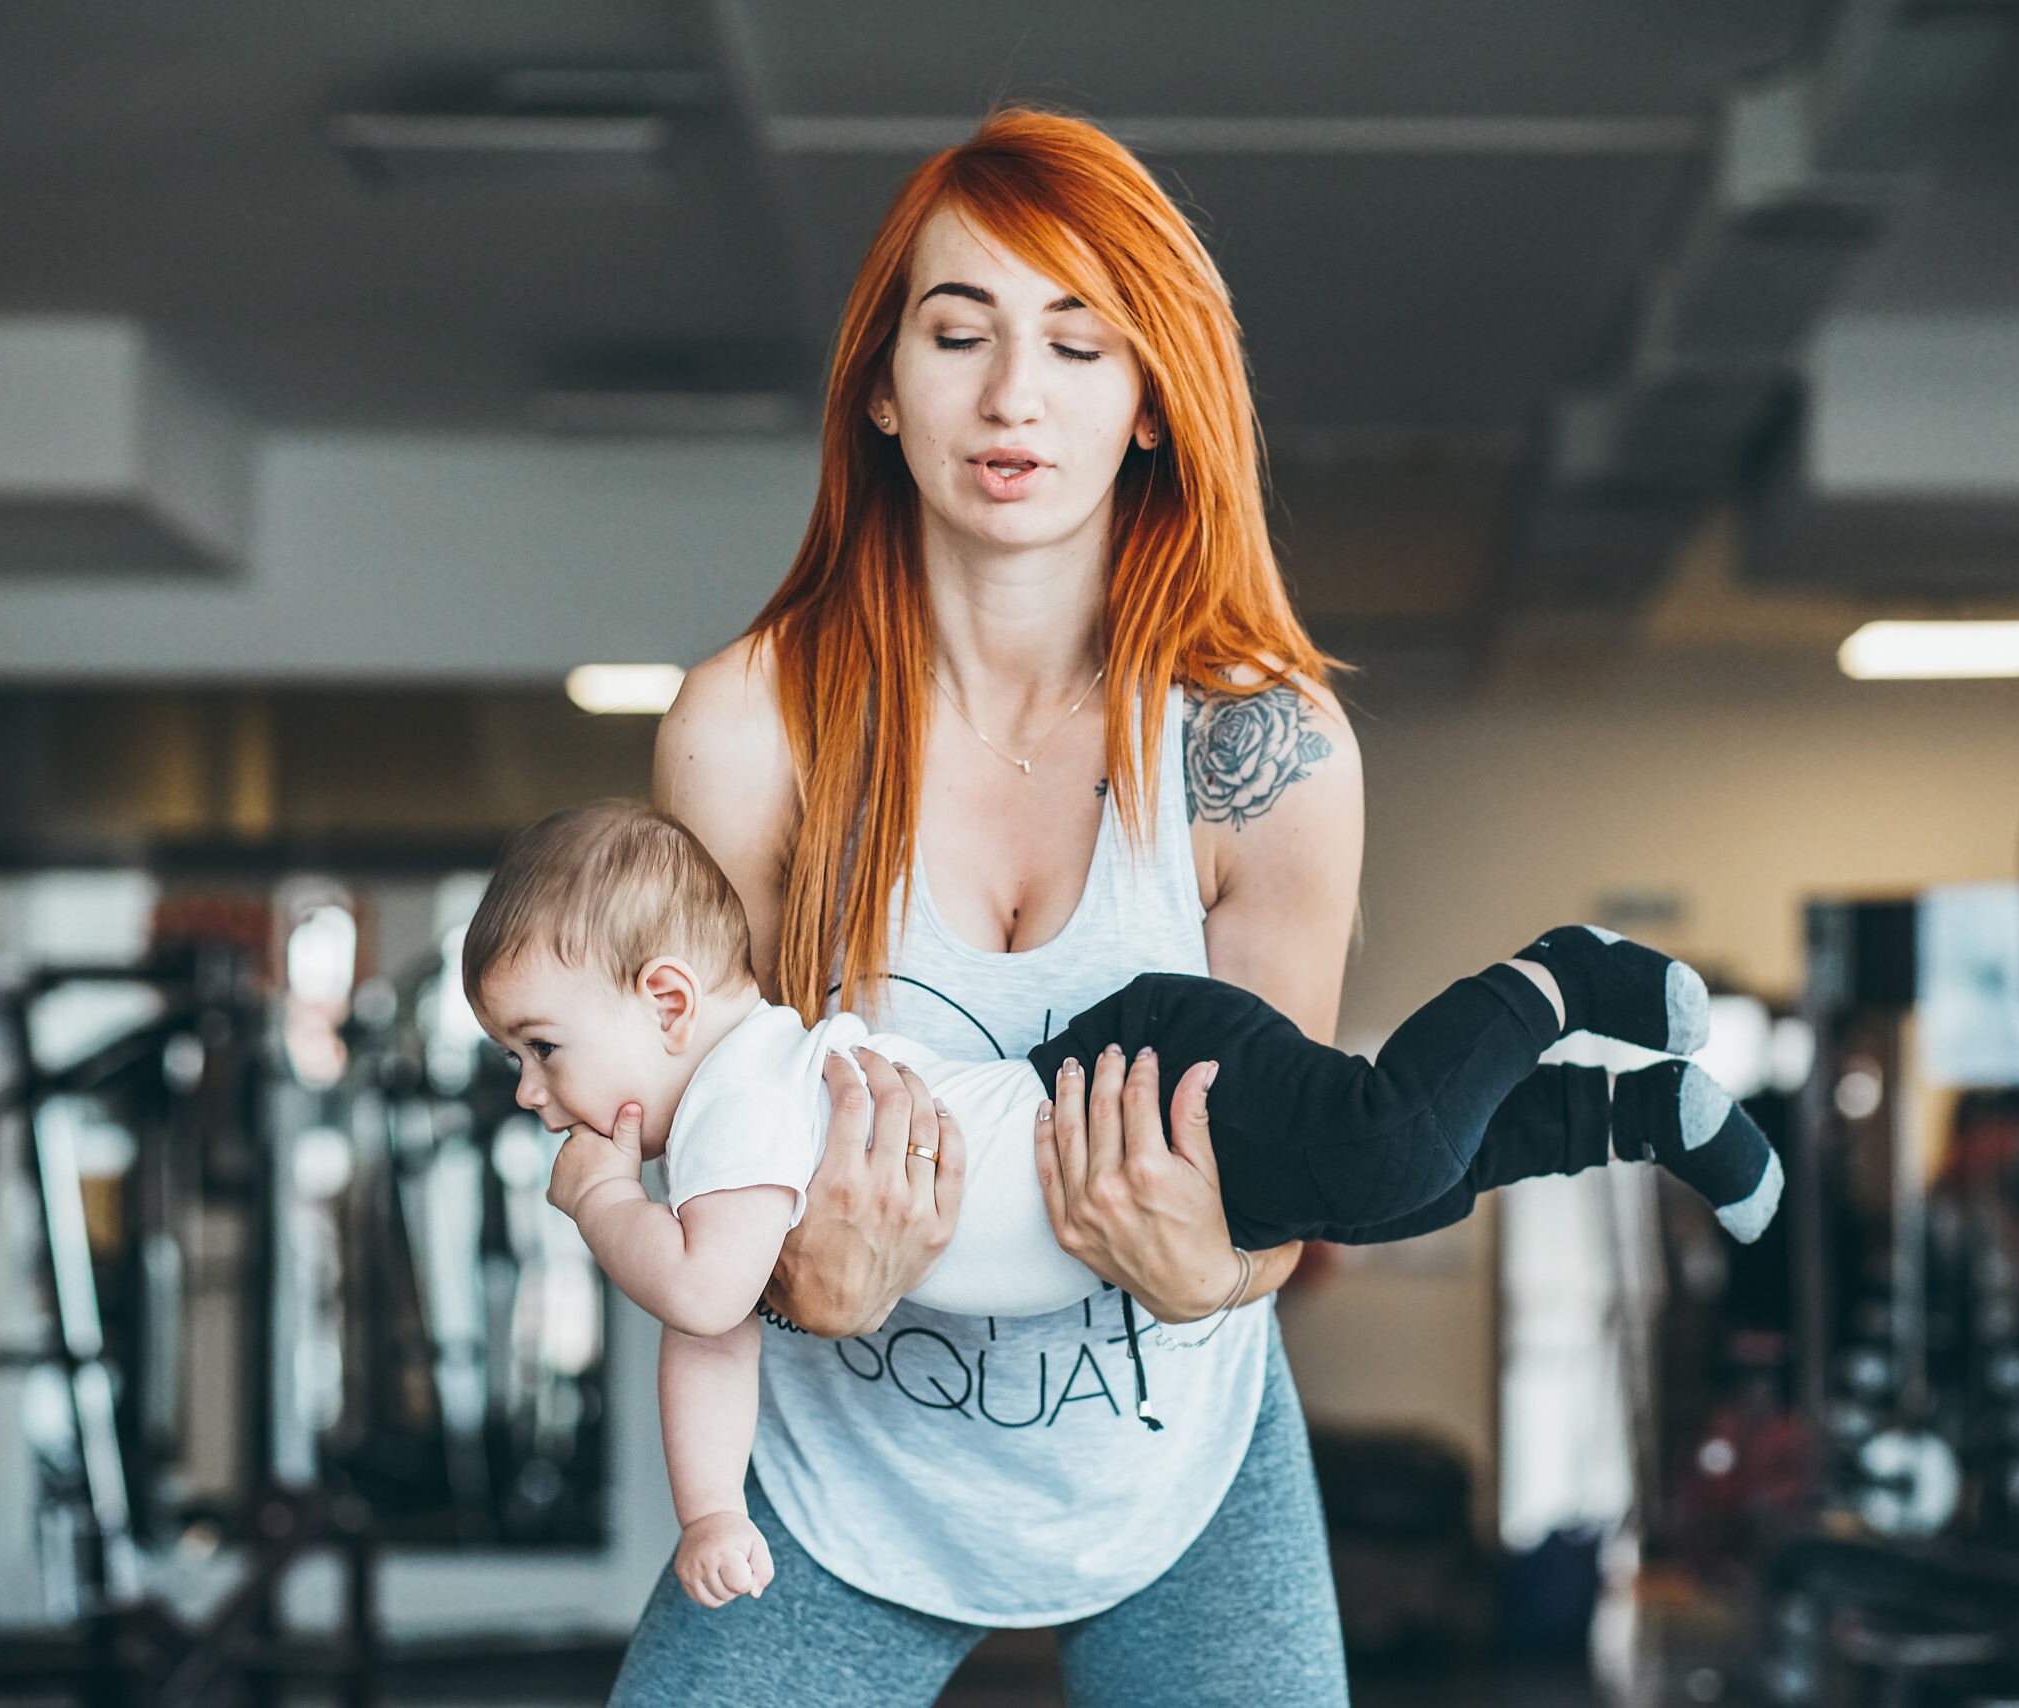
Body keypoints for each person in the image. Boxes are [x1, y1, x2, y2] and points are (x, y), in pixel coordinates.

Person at [612, 103, 1491, 1703]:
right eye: (961, 334)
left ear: (1152, 401)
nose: (1015, 394)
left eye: (1082, 346)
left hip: (1181, 1469)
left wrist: (1216, 1270)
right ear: (881, 388)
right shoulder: (749, 730)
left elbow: (1281, 1177)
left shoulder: (1265, 747)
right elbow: (688, 1143)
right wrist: (796, 1281)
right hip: (835, 1482)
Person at [462, 799, 1779, 1608]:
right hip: (1122, 1133)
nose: (532, 1096)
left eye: (541, 1048)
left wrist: (595, 1205)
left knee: (1386, 1154)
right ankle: (1632, 1118)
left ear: (671, 1003)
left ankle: (1560, 980)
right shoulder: (718, 1140)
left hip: (1136, 1086)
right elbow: (717, 1334)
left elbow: (695, 1294)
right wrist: (711, 1512)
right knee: (1394, 1196)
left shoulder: (738, 1096)